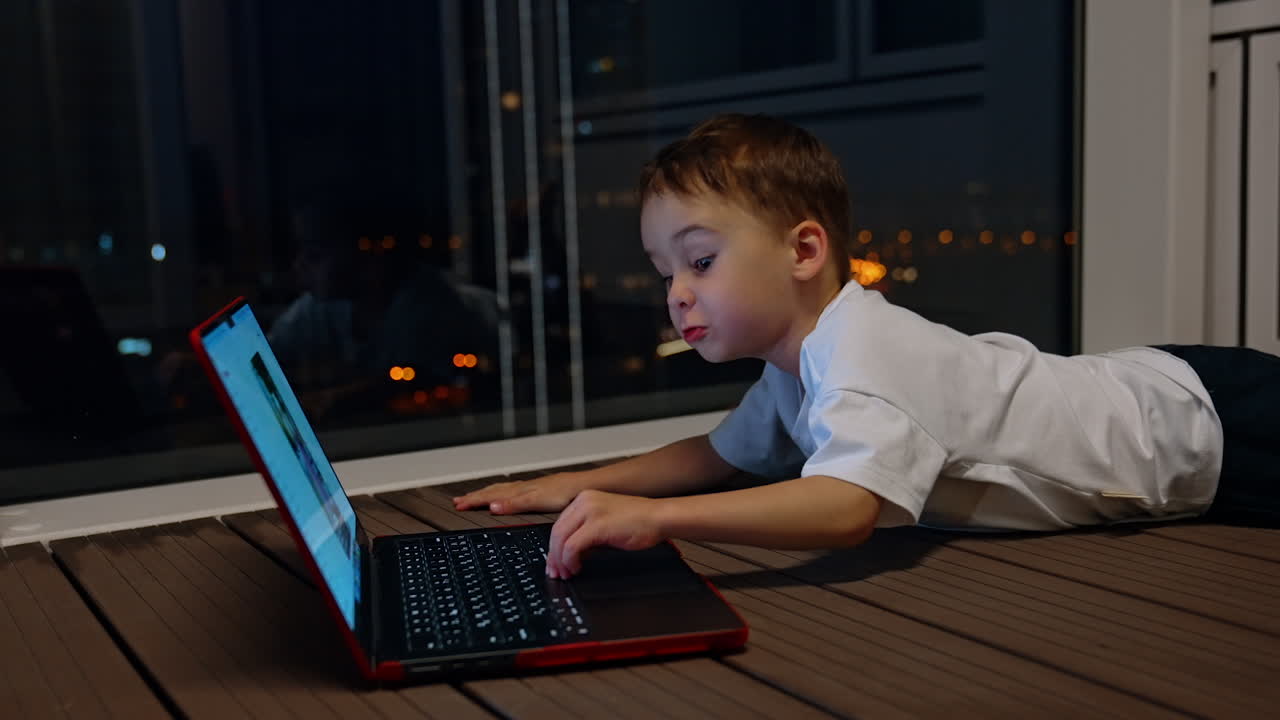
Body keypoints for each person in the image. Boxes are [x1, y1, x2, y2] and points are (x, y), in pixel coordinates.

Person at [453, 113, 1280, 580]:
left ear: (804, 253)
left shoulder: (861, 349)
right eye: (664, 269)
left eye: (700, 260)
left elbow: (845, 509)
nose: (676, 290)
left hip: (1201, 427)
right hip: (1158, 394)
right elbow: (714, 453)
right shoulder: (796, 365)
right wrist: (567, 485)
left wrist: (657, 520)